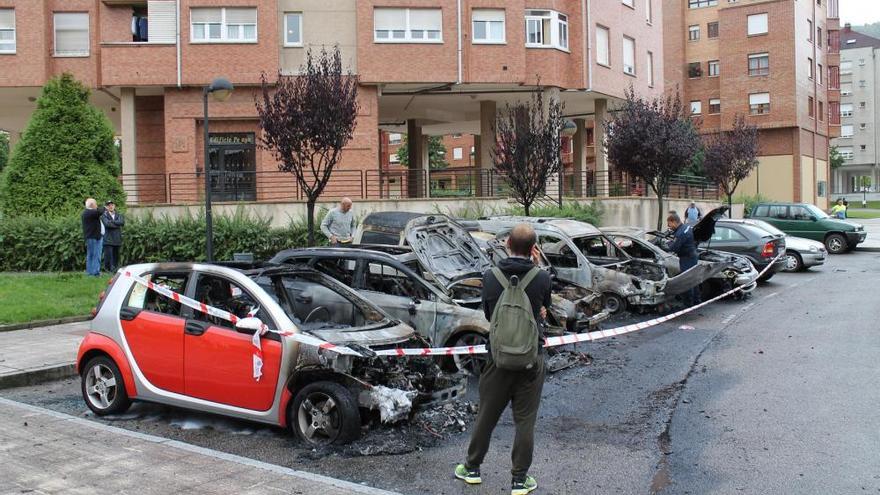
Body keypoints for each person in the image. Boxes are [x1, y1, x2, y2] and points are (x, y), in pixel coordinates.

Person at [455, 223, 551, 495]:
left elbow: (488, 315)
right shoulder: (542, 278)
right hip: (531, 360)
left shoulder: (490, 276)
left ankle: (472, 469)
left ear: (507, 243)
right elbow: (546, 309)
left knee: (486, 415)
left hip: (497, 359)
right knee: (525, 421)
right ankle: (519, 480)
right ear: (533, 249)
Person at [666, 213, 701, 307]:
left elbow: (674, 248)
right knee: (694, 279)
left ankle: (688, 304)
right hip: (692, 255)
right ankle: (697, 301)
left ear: (674, 222)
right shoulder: (687, 227)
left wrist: (667, 244)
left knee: (687, 280)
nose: (669, 226)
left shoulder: (680, 233)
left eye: (669, 224)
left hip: (686, 258)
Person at [81, 198, 105, 277]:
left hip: (93, 236)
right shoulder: (90, 212)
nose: (97, 205)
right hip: (94, 237)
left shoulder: (88, 212)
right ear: (92, 205)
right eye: (96, 204)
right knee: (95, 255)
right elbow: (101, 211)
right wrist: (105, 207)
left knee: (91, 255)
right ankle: (95, 273)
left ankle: (90, 272)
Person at [101, 200, 125, 272]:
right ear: (106, 207)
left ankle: (115, 269)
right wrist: (117, 224)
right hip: (108, 239)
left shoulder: (119, 215)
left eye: (112, 205)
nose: (110, 206)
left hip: (117, 238)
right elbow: (107, 224)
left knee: (116, 256)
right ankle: (108, 270)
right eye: (109, 205)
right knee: (108, 256)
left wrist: (112, 222)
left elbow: (122, 222)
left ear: (114, 206)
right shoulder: (104, 215)